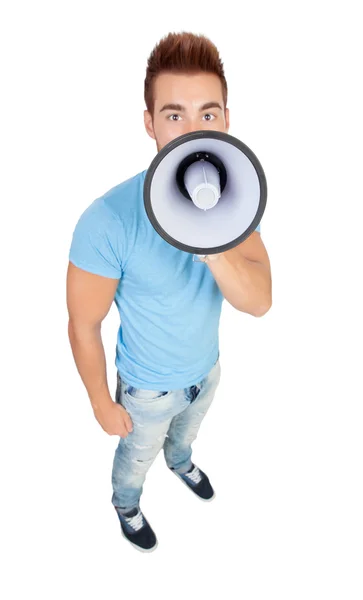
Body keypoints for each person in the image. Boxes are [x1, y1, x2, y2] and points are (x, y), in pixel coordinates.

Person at [67, 31, 272, 553]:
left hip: (206, 369)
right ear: (150, 122)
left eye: (207, 113)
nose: (191, 129)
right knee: (136, 456)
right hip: (147, 391)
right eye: (174, 114)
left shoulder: (236, 197)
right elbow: (83, 323)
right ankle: (127, 504)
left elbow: (259, 301)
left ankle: (181, 462)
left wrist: (209, 242)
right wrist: (98, 401)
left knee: (185, 436)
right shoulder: (107, 219)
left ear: (226, 118)